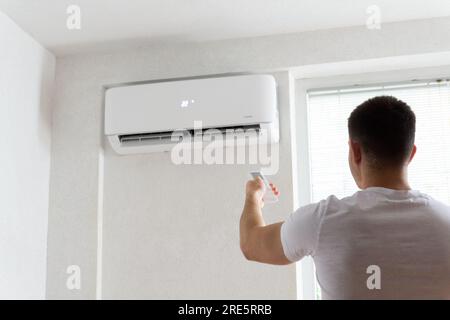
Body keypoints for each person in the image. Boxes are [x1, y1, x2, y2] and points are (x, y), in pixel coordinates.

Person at [239, 96, 450, 299]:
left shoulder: (321, 220)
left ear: (355, 151)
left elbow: (251, 244)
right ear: (411, 154)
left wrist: (253, 197)